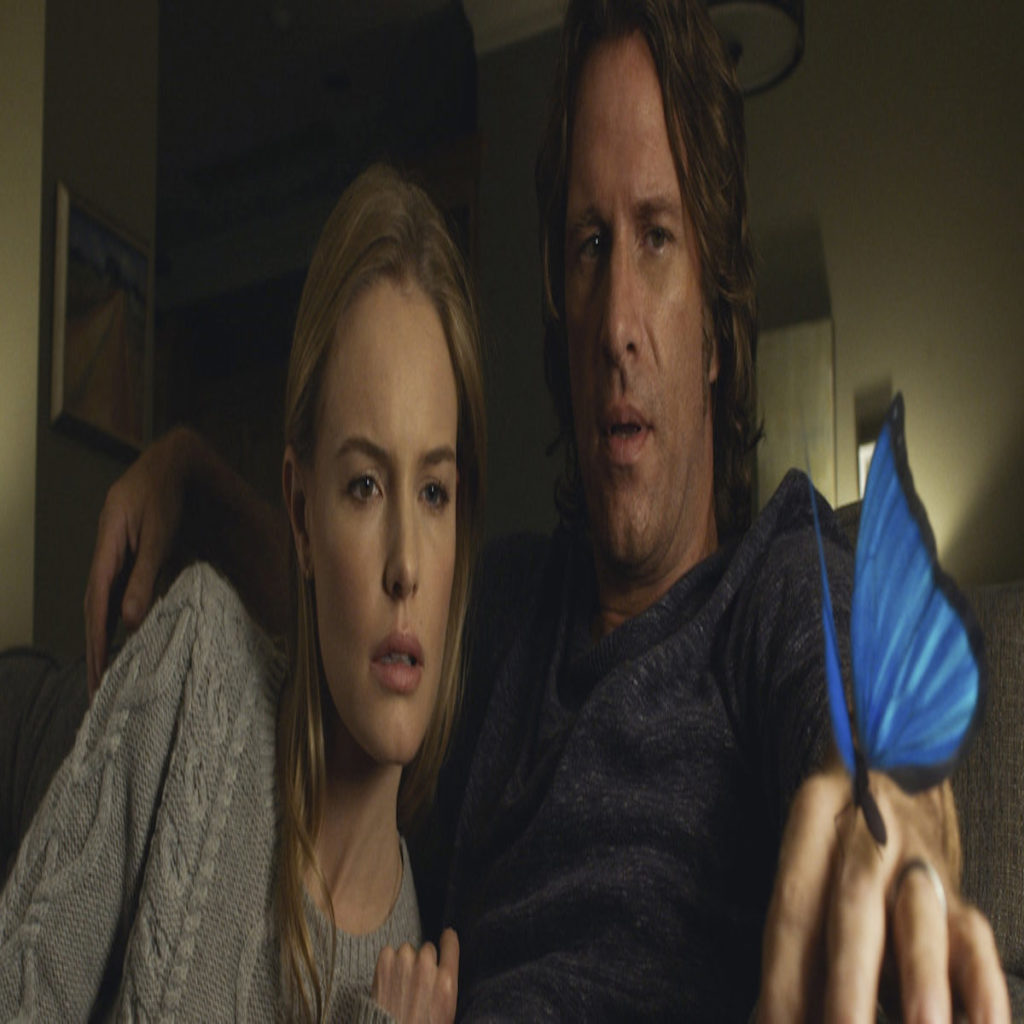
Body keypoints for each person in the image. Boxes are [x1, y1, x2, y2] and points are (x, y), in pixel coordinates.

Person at [80, 1, 1009, 1020]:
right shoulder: (507, 607)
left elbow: (859, 718)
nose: (616, 321)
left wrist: (897, 823)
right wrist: (196, 480)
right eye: (588, 244)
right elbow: (351, 606)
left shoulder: (776, 584)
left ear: (715, 320)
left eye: (657, 237)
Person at [1, 164, 486, 1022]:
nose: (406, 565)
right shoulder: (199, 667)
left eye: (434, 492)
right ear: (300, 515)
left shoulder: (415, 971)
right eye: (364, 486)